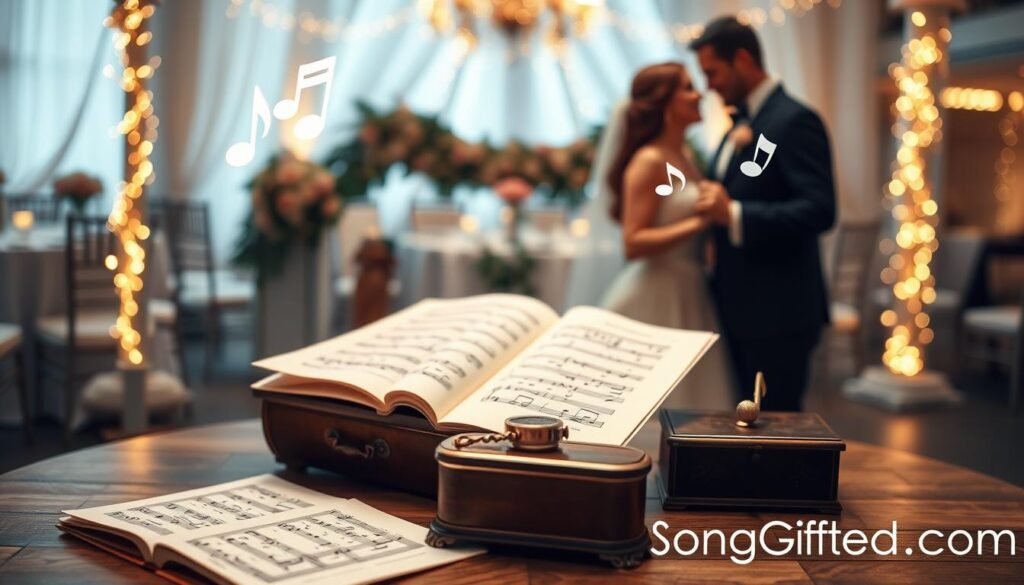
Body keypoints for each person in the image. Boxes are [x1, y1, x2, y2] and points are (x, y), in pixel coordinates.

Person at [690, 16, 836, 411]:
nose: (709, 86)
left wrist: (735, 214)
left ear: (742, 59)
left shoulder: (795, 120)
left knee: (777, 433)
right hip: (736, 307)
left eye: (712, 73)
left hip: (778, 314)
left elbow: (821, 210)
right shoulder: (739, 124)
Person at [600, 62, 735, 411]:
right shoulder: (649, 160)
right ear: (664, 102)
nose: (699, 94)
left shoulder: (684, 155)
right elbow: (633, 242)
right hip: (657, 291)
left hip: (691, 287)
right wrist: (699, 223)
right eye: (688, 87)